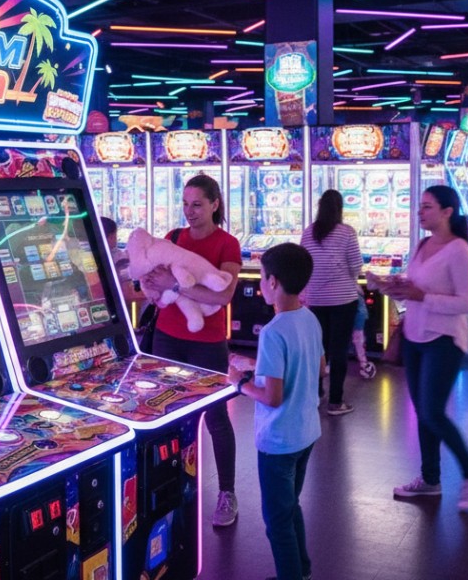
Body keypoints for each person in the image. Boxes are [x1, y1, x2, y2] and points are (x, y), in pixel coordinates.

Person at [141, 174, 243, 526]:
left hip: (208, 342)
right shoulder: (172, 238)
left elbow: (223, 295)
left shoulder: (227, 244)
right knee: (165, 415)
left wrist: (176, 285)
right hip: (167, 336)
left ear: (215, 204)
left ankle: (227, 493)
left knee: (216, 418)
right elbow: (153, 284)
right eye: (185, 204)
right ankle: (170, 487)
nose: (190, 211)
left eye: (197, 204)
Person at [380, 186, 468, 509]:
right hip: (415, 335)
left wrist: (421, 297)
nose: (420, 212)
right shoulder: (423, 243)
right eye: (420, 206)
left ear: (447, 212)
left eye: (427, 207)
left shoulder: (459, 251)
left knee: (432, 411)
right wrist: (392, 285)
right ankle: (429, 479)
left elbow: (467, 303)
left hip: (444, 339)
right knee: (423, 412)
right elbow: (415, 286)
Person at [228, 243, 323, 580]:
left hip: (278, 440)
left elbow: (272, 397)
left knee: (277, 521)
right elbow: (319, 366)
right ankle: (302, 570)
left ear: (273, 282)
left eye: (264, 277)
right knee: (290, 507)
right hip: (306, 431)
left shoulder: (273, 331)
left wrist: (239, 383)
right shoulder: (309, 318)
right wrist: (257, 366)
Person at [300, 189, 363, 416]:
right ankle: (336, 402)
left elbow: (303, 263)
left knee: (318, 348)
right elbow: (356, 264)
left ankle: (315, 394)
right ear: (340, 209)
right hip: (343, 299)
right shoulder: (346, 232)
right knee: (339, 351)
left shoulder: (309, 233)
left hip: (316, 299)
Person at [101, 216, 146, 311]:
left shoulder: (86, 255)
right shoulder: (121, 259)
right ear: (111, 236)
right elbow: (129, 293)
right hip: (118, 310)